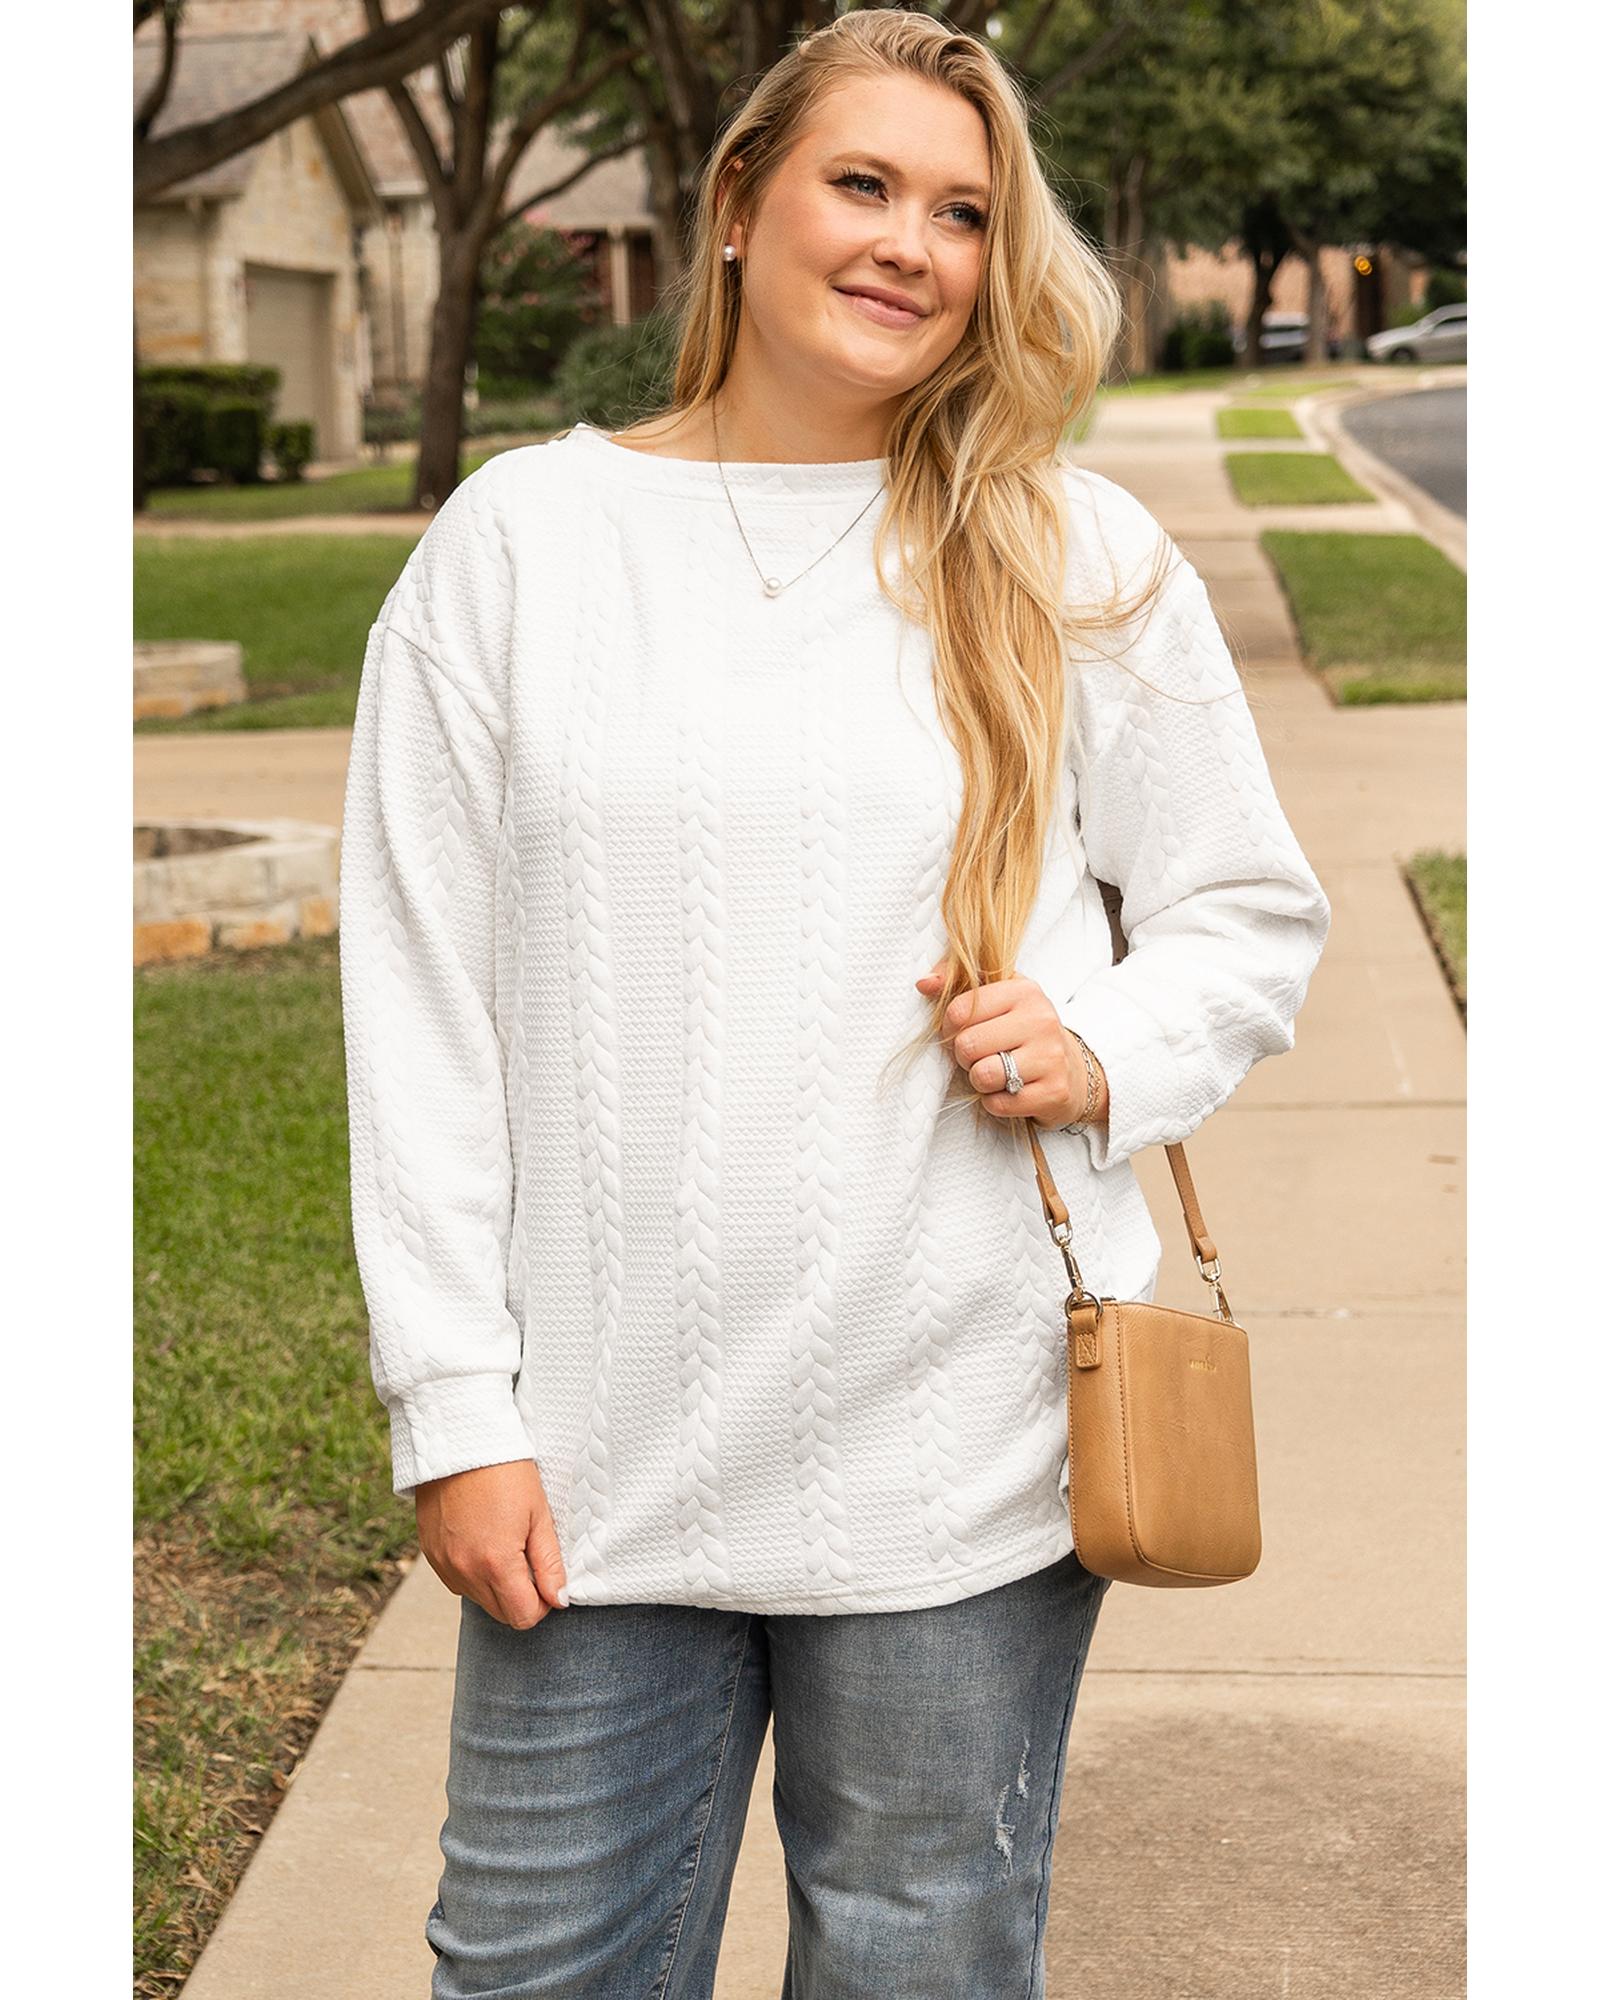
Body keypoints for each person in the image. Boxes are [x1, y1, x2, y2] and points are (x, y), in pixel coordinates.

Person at [337, 12, 1332, 1996]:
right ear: (736, 204)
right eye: (861, 185)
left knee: (918, 1964)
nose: (908, 245)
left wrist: (1103, 1046)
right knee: (534, 1965)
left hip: (959, 1451)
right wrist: (451, 1409)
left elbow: (1242, 911)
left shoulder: (1065, 549)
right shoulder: (520, 547)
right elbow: (422, 1007)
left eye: (960, 212)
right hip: (588, 1463)